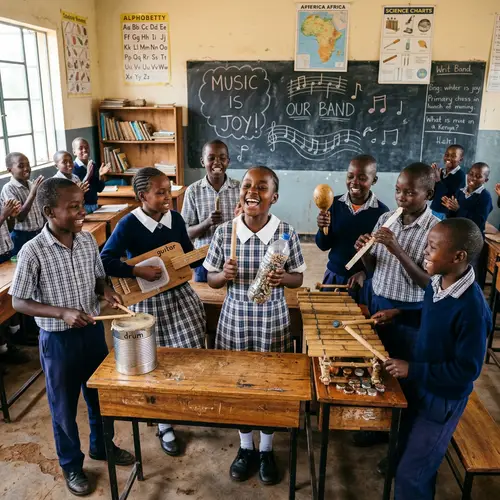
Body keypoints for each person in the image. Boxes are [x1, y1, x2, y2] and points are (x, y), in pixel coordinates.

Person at [9, 178, 134, 496]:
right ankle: (72, 465)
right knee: (63, 408)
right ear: (50, 211)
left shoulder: (87, 240)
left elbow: (96, 278)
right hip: (58, 342)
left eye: (81, 204)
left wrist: (107, 291)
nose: (82, 211)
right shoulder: (32, 252)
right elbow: (19, 301)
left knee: (99, 398)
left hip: (92, 332)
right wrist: (61, 313)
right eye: (74, 206)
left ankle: (102, 447)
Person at [204, 166, 306, 486]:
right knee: (239, 385)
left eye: (262, 188)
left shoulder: (285, 232)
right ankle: (245, 447)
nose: (253, 191)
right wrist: (224, 275)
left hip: (271, 322)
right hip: (235, 319)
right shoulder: (225, 232)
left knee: (270, 386)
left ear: (273, 198)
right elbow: (211, 280)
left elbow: (298, 278)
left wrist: (282, 278)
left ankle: (266, 449)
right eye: (248, 185)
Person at [101, 167, 206, 457]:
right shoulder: (128, 224)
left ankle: (185, 403)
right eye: (160, 193)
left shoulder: (176, 218)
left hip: (178, 295)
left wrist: (205, 259)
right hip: (147, 302)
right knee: (154, 359)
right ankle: (164, 422)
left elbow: (186, 256)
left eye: (169, 190)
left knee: (190, 348)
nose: (168, 197)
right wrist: (136, 270)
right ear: (141, 196)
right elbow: (106, 259)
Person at [385, 218, 492, 499]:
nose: (424, 251)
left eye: (432, 247)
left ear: (458, 256)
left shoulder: (472, 309)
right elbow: (432, 315)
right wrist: (399, 313)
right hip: (420, 387)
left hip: (442, 400)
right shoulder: (439, 283)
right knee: (403, 451)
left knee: (412, 475)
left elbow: (466, 370)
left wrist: (413, 369)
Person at [353, 163, 439, 447]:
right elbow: (374, 266)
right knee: (378, 369)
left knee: (404, 377)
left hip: (410, 314)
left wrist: (397, 248)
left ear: (429, 193)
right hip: (379, 301)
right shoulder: (386, 219)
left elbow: (430, 284)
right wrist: (364, 251)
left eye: (410, 193)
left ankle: (400, 440)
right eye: (399, 191)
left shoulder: (435, 230)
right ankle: (377, 427)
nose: (402, 197)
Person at [315, 154, 389, 301]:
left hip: (363, 282)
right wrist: (322, 229)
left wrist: (365, 274)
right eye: (350, 176)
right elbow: (323, 245)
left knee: (359, 322)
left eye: (362, 178)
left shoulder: (382, 213)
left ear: (373, 180)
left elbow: (383, 257)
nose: (354, 182)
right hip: (334, 277)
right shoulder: (333, 204)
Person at [181, 139, 240, 282]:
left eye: (222, 158)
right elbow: (185, 234)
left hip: (233, 256)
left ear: (228, 161)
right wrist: (207, 223)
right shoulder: (193, 191)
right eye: (211, 158)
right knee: (206, 298)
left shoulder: (240, 189)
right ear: (202, 162)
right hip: (204, 258)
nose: (217, 162)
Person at [0, 152, 44, 255]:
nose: (26, 168)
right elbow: (20, 217)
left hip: (38, 233)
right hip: (22, 237)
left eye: (28, 164)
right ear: (10, 170)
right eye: (21, 166)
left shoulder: (32, 184)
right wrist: (32, 193)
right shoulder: (9, 188)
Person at [442, 162, 493, 235]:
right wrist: (450, 208)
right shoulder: (460, 192)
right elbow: (452, 217)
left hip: (472, 236)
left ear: (486, 180)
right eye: (471, 174)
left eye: (478, 176)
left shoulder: (485, 196)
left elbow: (479, 221)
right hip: (457, 232)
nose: (473, 178)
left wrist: (458, 209)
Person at [72, 137, 110, 213]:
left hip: (94, 204)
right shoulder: (73, 168)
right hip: (82, 206)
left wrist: (101, 176)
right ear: (74, 152)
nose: (84, 150)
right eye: (80, 148)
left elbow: (99, 189)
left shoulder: (93, 164)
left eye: (86, 147)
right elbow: (79, 190)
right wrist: (88, 174)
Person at [429, 144, 466, 220]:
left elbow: (447, 196)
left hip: (446, 213)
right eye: (446, 155)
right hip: (434, 208)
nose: (448, 158)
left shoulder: (460, 176)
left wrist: (438, 180)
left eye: (453, 156)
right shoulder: (441, 172)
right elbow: (434, 193)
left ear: (461, 159)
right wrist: (433, 178)